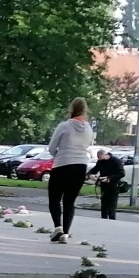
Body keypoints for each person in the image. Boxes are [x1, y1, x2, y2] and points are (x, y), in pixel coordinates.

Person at [45, 97, 94, 243]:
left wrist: (59, 156)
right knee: (69, 201)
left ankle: (58, 227)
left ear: (71, 109)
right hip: (80, 166)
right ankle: (65, 234)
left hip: (62, 165)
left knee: (54, 198)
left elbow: (52, 148)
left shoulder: (64, 126)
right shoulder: (89, 129)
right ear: (85, 110)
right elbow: (87, 146)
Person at [93, 148, 125, 220]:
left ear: (104, 155)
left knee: (112, 203)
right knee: (104, 203)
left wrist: (109, 178)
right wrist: (89, 174)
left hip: (114, 184)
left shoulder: (116, 161)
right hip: (104, 185)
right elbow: (95, 169)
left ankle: (112, 218)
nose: (98, 159)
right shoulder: (100, 161)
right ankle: (103, 218)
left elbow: (122, 173)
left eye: (99, 157)